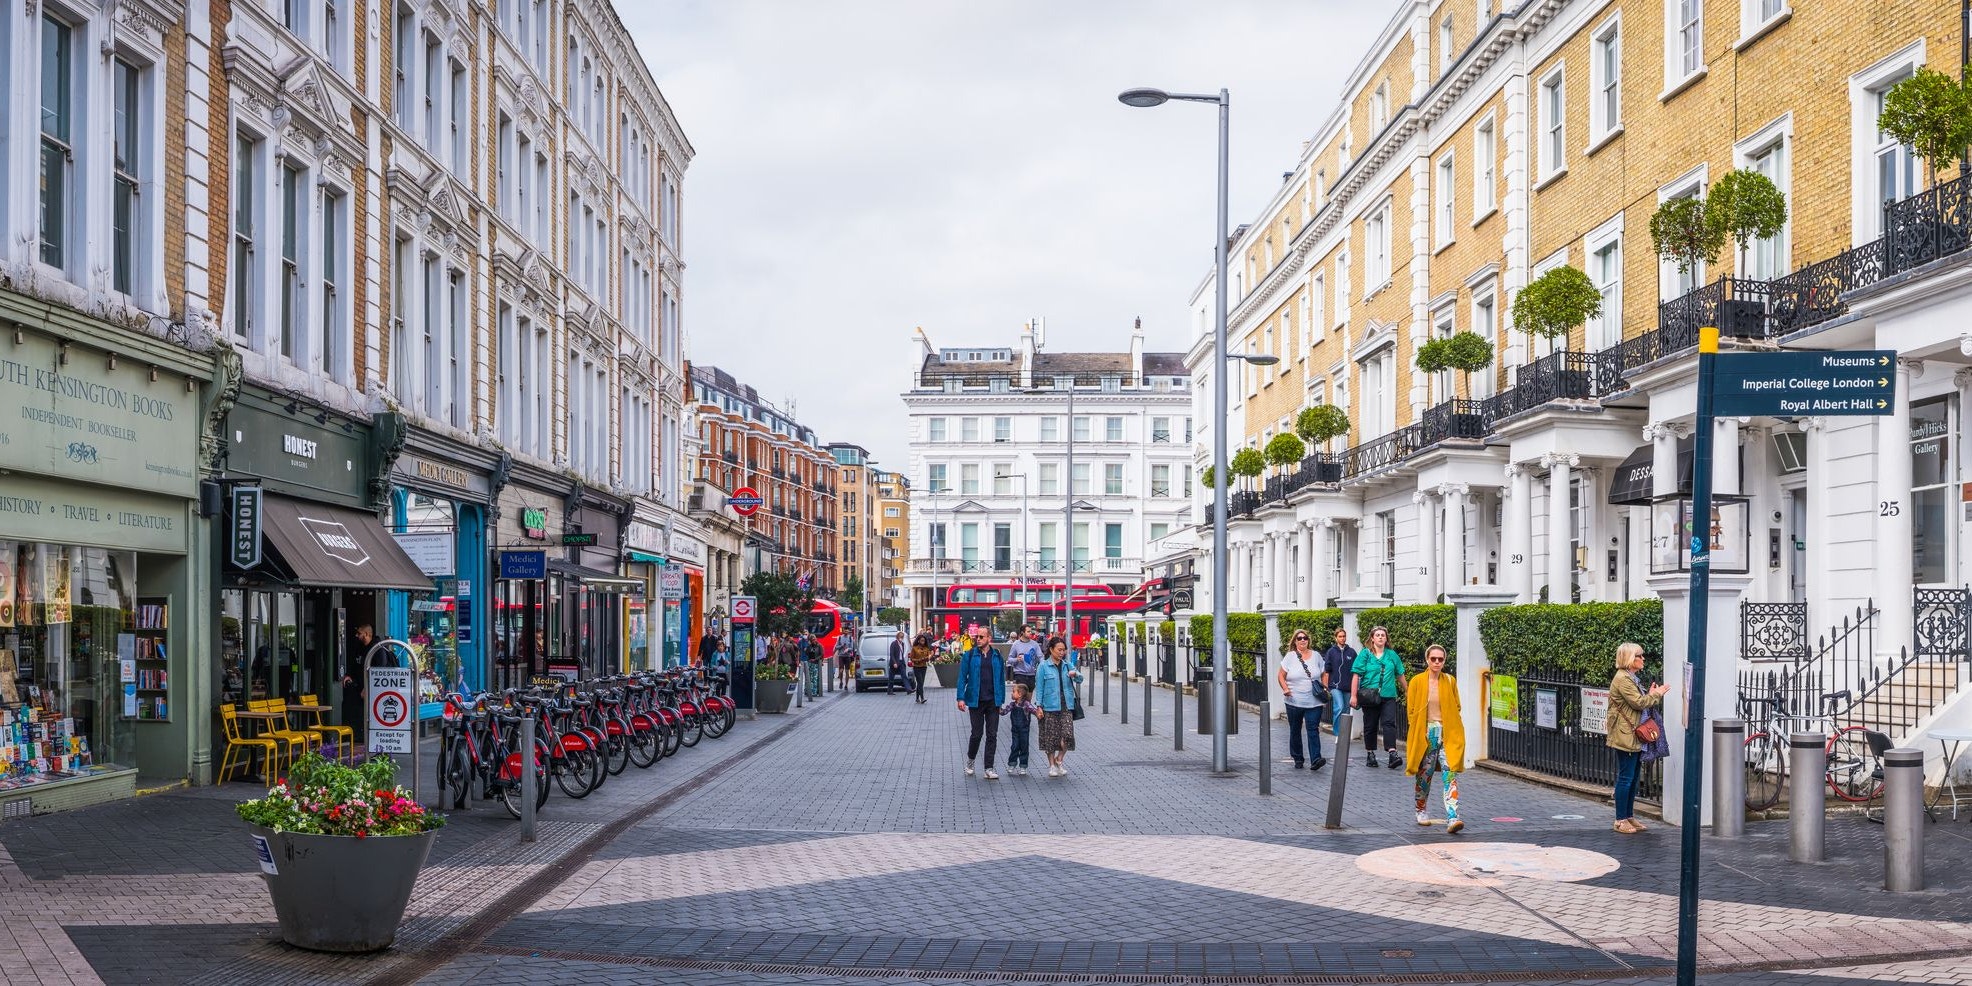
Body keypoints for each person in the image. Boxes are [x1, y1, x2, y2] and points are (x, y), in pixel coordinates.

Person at [1607, 641, 1668, 835]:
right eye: (1639, 656)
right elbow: (1638, 703)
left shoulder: (1631, 677)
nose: (1643, 659)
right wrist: (1656, 695)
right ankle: (1620, 819)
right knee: (1626, 777)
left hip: (1633, 734)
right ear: (1629, 659)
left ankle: (1629, 815)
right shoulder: (1623, 679)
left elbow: (1639, 700)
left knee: (1633, 778)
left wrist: (1650, 693)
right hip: (1626, 734)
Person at [1405, 644, 1465, 834]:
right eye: (1434, 659)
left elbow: (1457, 705)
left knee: (1450, 773)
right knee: (1425, 774)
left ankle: (1453, 817)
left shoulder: (1450, 680)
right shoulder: (1417, 681)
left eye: (1441, 659)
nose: (1437, 662)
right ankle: (1420, 808)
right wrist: (1420, 731)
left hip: (1447, 732)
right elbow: (1412, 711)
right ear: (1427, 660)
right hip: (1427, 732)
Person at [955, 625, 1006, 779]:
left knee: (992, 734)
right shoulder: (969, 655)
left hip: (993, 701)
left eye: (981, 637)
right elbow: (962, 677)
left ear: (989, 638)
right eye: (977, 636)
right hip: (975, 700)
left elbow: (1001, 679)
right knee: (976, 734)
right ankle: (970, 761)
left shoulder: (997, 655)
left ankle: (989, 768)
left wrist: (1001, 700)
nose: (978, 639)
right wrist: (960, 698)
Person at [1351, 625, 1406, 769]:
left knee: (1389, 723)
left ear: (1386, 638)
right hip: (1370, 695)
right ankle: (1370, 753)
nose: (1381, 637)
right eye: (1378, 635)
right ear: (1372, 638)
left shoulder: (1392, 655)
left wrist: (1407, 690)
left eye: (1383, 635)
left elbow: (1400, 674)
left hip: (1388, 695)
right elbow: (1356, 675)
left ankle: (1392, 753)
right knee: (1370, 725)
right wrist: (1353, 695)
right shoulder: (1365, 654)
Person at [1276, 628, 1329, 770]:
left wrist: (1324, 687)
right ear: (1295, 641)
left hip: (1314, 701)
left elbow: (1324, 673)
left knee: (1313, 728)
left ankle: (1316, 759)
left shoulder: (1316, 656)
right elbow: (1281, 675)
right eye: (1299, 638)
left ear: (1308, 640)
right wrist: (1285, 689)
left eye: (1305, 638)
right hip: (1294, 701)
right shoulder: (1290, 656)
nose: (1302, 640)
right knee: (1295, 729)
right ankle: (1298, 758)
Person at [1034, 635, 1080, 777]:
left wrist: (1075, 674)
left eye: (1064, 650)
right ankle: (1052, 766)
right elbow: (1039, 687)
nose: (1062, 652)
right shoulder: (1043, 666)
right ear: (1051, 650)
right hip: (1049, 705)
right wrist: (1038, 705)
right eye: (1059, 650)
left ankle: (1059, 759)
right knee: (1050, 737)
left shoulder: (1067, 664)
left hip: (1066, 704)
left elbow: (1080, 678)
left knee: (1067, 734)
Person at [341, 623, 377, 743]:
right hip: (358, 689)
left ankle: (369, 739)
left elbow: (379, 672)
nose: (357, 636)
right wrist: (348, 676)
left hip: (370, 691)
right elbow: (355, 665)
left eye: (359, 633)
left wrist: (368, 688)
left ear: (366, 634)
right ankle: (359, 737)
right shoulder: (359, 648)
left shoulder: (377, 649)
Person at [1322, 626, 1354, 740]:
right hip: (1335, 686)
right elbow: (1327, 671)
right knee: (1339, 707)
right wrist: (1326, 688)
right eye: (1340, 636)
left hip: (1348, 686)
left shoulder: (1351, 652)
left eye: (1344, 636)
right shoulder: (1331, 652)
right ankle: (1337, 733)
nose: (1342, 638)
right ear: (1336, 638)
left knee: (1346, 710)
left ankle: (1344, 734)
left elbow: (1356, 670)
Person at [1003, 682, 1040, 776]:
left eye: (1013, 691)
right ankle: (1012, 764)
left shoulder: (1026, 704)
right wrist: (999, 710)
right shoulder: (1012, 704)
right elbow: (1004, 711)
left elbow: (1033, 710)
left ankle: (1023, 765)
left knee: (1024, 746)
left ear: (1019, 694)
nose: (1011, 693)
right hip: (1015, 729)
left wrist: (1038, 714)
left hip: (1024, 730)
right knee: (1014, 746)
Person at [1007, 628, 1042, 693]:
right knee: (1021, 698)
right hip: (1020, 674)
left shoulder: (1035, 644)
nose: (1030, 633)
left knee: (1028, 701)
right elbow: (1009, 659)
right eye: (1028, 631)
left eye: (1031, 631)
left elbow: (1041, 657)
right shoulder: (1016, 644)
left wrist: (1041, 666)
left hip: (1031, 674)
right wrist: (1017, 659)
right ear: (1022, 632)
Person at [909, 633, 935, 703]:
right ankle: (922, 698)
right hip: (917, 667)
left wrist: (929, 657)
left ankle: (917, 698)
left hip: (924, 667)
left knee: (921, 683)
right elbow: (911, 658)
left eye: (924, 641)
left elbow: (928, 657)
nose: (923, 642)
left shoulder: (926, 648)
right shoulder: (914, 648)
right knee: (920, 682)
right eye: (921, 641)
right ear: (918, 641)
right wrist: (919, 660)